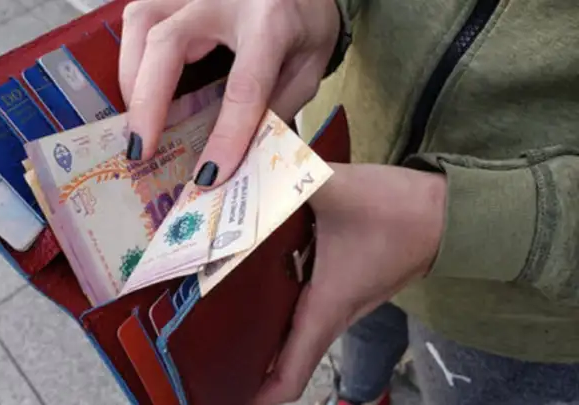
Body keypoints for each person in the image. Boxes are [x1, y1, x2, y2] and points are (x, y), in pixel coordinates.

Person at [118, 0, 579, 404]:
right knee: (355, 331)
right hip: (346, 191)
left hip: (514, 308)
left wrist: (470, 219)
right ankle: (360, 393)